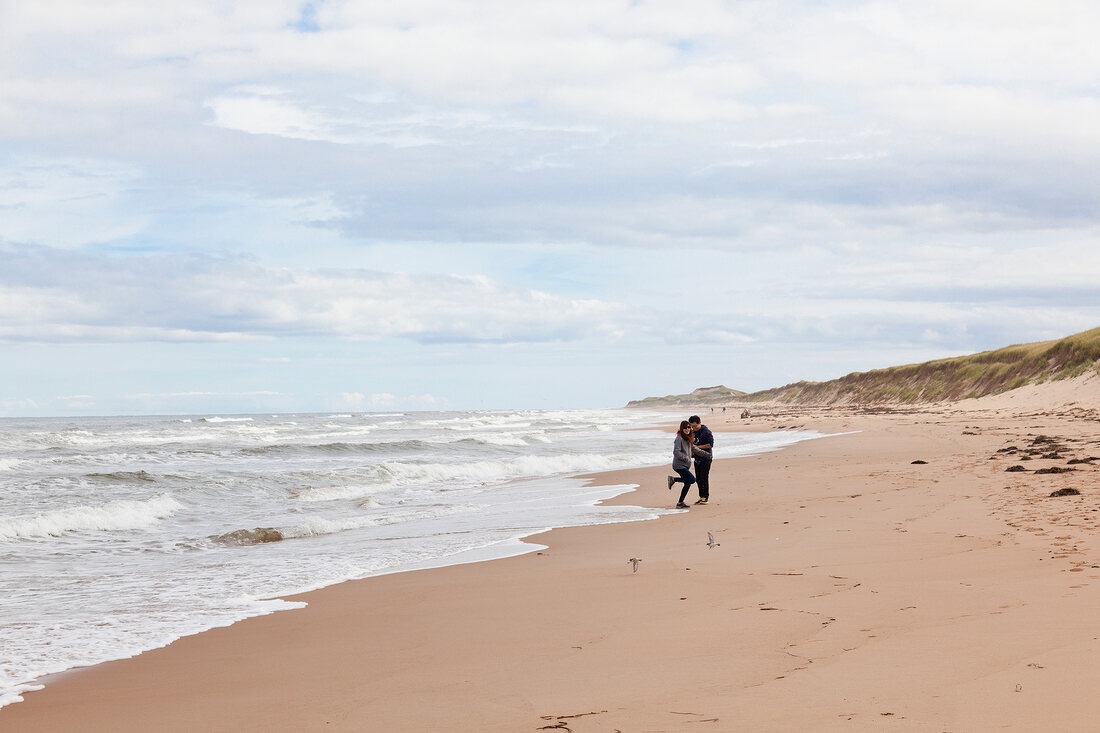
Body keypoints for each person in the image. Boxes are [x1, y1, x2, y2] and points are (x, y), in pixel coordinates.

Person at [667, 420, 709, 508]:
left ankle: (680, 503)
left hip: (685, 465)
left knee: (687, 483)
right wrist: (686, 458)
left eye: (689, 427)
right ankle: (673, 479)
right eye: (685, 428)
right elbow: (676, 452)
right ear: (681, 429)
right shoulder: (679, 438)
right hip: (679, 465)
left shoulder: (689, 438)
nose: (687, 429)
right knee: (692, 480)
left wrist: (706, 454)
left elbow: (694, 449)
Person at [689, 415, 714, 504]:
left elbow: (710, 445)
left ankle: (705, 497)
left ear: (699, 423)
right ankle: (701, 497)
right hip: (697, 458)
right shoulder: (692, 432)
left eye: (695, 426)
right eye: (692, 426)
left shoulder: (706, 432)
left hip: (706, 458)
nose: (693, 428)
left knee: (704, 477)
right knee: (698, 479)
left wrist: (696, 447)